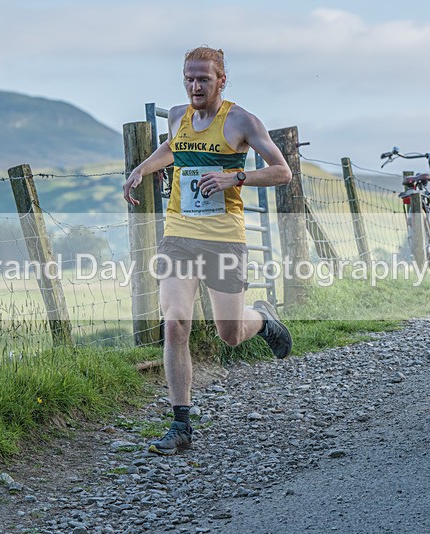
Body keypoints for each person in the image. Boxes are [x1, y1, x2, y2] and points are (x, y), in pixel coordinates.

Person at [123, 46, 293, 456]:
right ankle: (180, 424)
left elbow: (282, 171)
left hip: (224, 237)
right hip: (179, 234)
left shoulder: (242, 121)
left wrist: (235, 176)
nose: (195, 86)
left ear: (221, 80)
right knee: (175, 323)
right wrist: (141, 168)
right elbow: (172, 149)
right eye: (189, 78)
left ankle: (262, 318)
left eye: (203, 78)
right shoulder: (177, 115)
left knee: (229, 334)